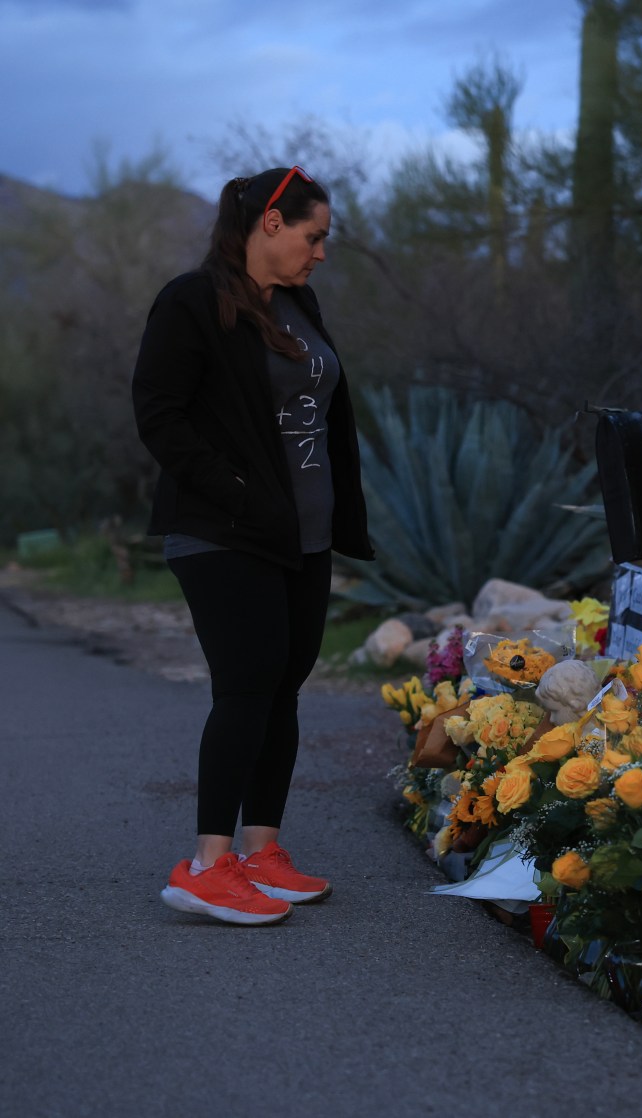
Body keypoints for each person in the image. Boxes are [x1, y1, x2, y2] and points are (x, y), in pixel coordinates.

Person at [132, 166, 373, 925]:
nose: (321, 252)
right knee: (247, 683)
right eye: (314, 235)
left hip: (303, 536)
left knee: (284, 685)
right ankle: (207, 865)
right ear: (271, 222)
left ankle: (262, 853)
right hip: (222, 532)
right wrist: (236, 491)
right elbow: (159, 415)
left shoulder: (299, 303)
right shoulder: (192, 301)